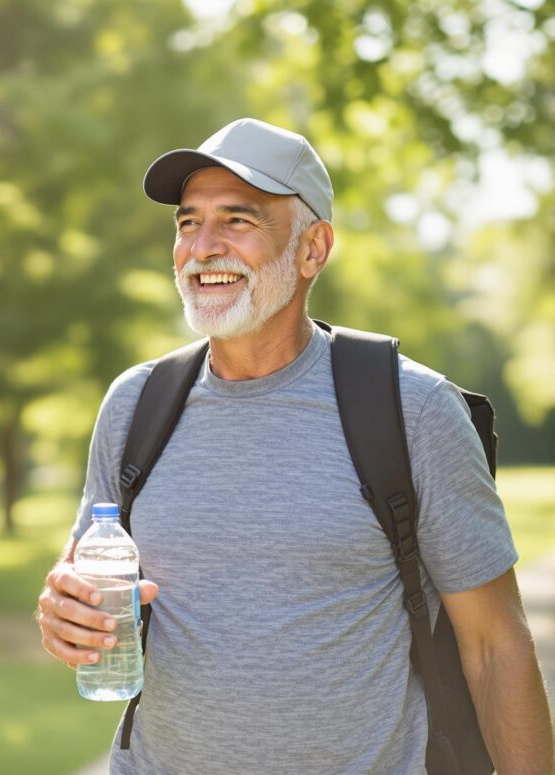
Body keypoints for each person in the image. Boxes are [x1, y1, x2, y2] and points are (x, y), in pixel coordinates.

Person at [35, 118, 554, 774]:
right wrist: (66, 615)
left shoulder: (413, 410)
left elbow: (494, 647)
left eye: (237, 220)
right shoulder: (134, 405)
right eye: (188, 223)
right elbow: (88, 578)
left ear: (314, 249)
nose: (203, 247)